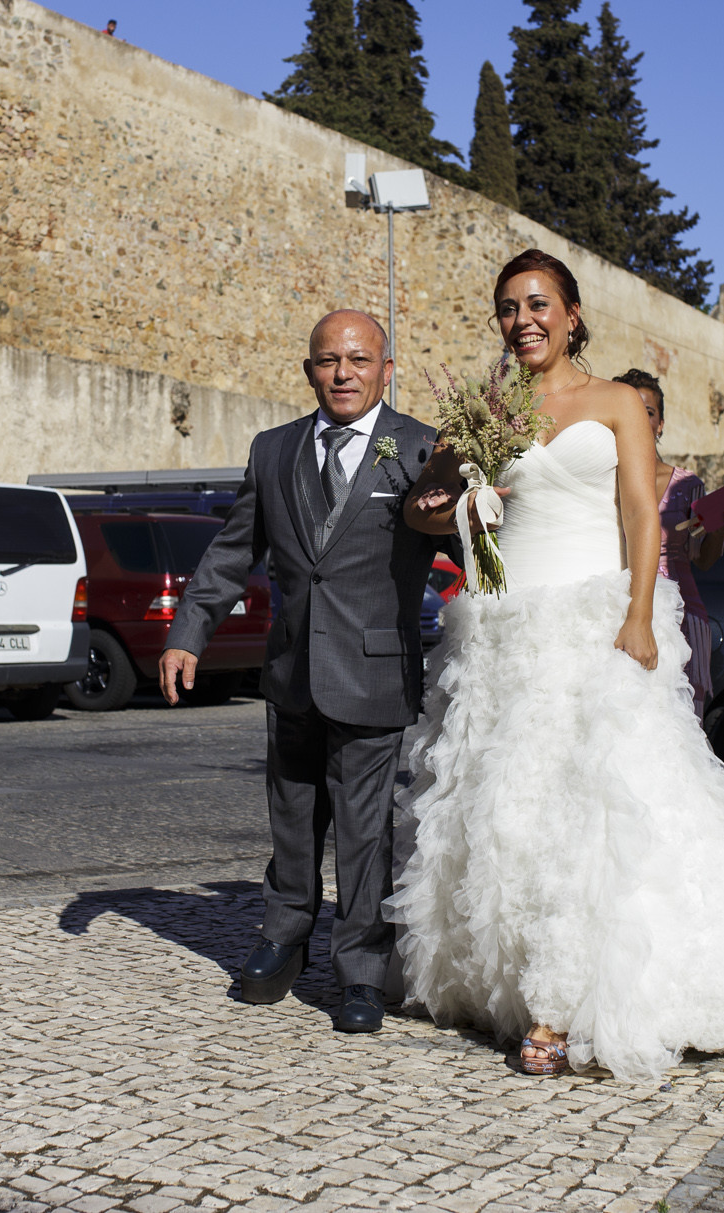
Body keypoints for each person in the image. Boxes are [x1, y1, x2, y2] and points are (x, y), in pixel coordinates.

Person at [392, 249, 724, 1082]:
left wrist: (639, 613)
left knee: (597, 807)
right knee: (507, 808)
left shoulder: (614, 405)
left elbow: (643, 513)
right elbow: (427, 510)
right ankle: (509, 980)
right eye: (507, 307)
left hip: (593, 622)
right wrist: (452, 502)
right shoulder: (486, 409)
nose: (521, 320)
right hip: (503, 632)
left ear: (572, 313)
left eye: (538, 304)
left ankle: (564, 1003)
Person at [161, 311, 443, 1035]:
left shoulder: (422, 449)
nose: (342, 372)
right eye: (327, 360)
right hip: (290, 673)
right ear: (308, 368)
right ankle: (283, 937)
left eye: (357, 358)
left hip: (376, 671)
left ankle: (359, 970)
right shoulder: (274, 450)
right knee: (290, 817)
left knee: (362, 829)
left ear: (387, 367)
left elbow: (473, 540)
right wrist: (189, 631)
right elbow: (232, 551)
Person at [613, 368, 723, 717]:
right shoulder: (601, 481)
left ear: (661, 423)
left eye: (648, 412)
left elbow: (705, 561)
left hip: (682, 616)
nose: (640, 419)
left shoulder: (688, 485)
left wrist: (719, 525)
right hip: (620, 612)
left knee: (683, 721)